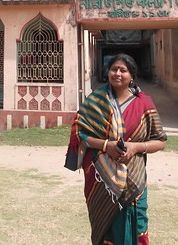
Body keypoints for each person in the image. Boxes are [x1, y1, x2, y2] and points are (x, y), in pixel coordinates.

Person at [65, 53, 167, 244]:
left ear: (132, 75)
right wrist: (106, 145)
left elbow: (160, 140)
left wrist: (136, 147)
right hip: (101, 179)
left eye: (123, 70)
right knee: (106, 228)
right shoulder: (96, 100)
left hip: (133, 177)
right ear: (108, 72)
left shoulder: (144, 103)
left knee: (136, 225)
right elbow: (80, 134)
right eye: (114, 69)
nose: (117, 73)